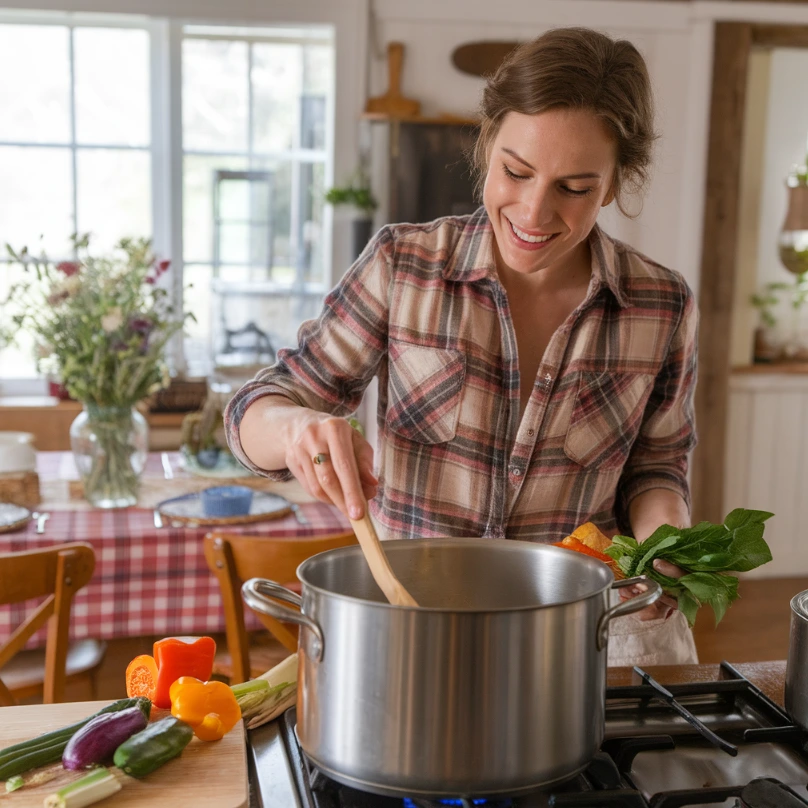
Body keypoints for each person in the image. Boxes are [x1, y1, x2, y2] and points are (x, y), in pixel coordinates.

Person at [224, 27, 699, 664]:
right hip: (415, 635)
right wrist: (297, 430)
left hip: (576, 641)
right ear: (486, 146)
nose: (533, 214)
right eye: (516, 171)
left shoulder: (660, 303)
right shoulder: (404, 265)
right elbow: (256, 407)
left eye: (575, 188)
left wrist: (667, 544)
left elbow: (657, 468)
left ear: (613, 185)